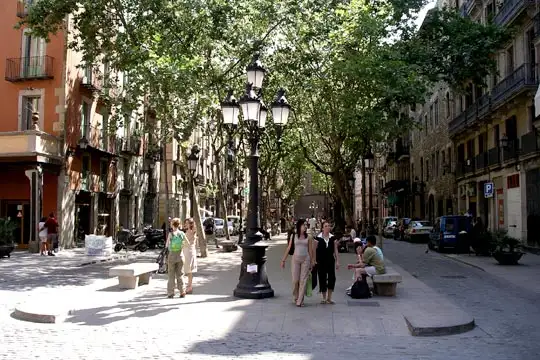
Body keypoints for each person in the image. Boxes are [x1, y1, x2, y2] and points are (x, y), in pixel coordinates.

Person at [281, 219, 316, 307]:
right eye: (303, 225)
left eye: (305, 225)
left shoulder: (309, 237)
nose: (305, 226)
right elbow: (289, 248)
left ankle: (300, 300)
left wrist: (312, 261)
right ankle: (296, 296)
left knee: (303, 280)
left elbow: (310, 250)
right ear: (299, 226)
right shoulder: (294, 236)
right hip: (295, 259)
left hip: (306, 259)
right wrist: (283, 260)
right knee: (295, 280)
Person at [315, 220, 340, 304]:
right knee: (322, 277)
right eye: (325, 226)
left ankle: (329, 298)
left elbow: (335, 250)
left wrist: (337, 261)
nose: (327, 227)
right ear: (322, 228)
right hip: (320, 261)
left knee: (331, 278)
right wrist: (313, 261)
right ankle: (323, 297)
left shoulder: (333, 238)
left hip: (330, 260)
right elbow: (314, 250)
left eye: (329, 226)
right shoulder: (317, 238)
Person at [165, 218, 187, 298]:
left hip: (172, 256)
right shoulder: (182, 233)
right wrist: (181, 246)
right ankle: (182, 291)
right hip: (180, 255)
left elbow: (167, 245)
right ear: (179, 224)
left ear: (172, 224)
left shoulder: (171, 234)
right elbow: (187, 243)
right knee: (180, 274)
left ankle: (171, 293)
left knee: (171, 275)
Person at [183, 218, 198, 294]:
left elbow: (186, 243)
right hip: (190, 251)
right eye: (185, 223)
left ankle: (188, 286)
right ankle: (189, 286)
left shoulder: (189, 232)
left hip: (188, 251)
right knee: (189, 270)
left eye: (187, 223)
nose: (185, 224)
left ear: (190, 224)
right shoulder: (193, 231)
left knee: (187, 270)